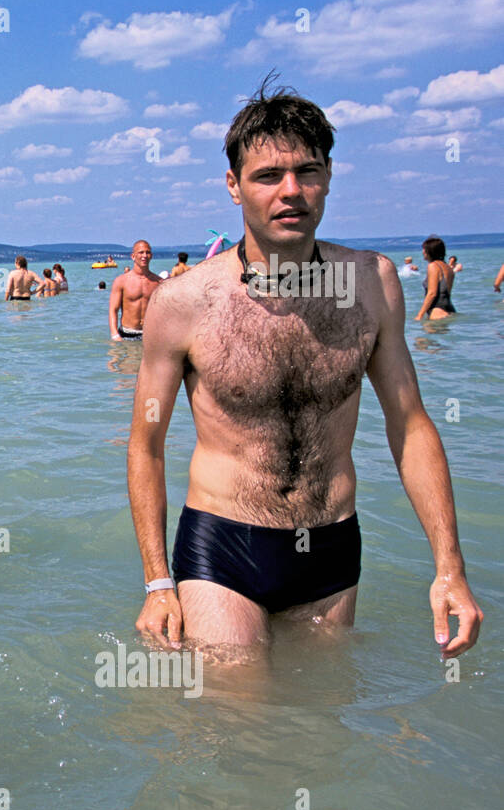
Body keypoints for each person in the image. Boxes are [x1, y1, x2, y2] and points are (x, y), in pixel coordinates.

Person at [127, 79, 483, 661]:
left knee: (320, 728)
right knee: (242, 718)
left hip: (332, 547)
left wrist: (450, 568)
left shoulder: (372, 284)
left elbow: (410, 423)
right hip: (224, 544)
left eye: (308, 172)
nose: (291, 191)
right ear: (234, 187)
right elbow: (147, 443)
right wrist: (157, 582)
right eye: (268, 176)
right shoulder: (183, 303)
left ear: (328, 178)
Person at [108, 240, 160, 340]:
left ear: (151, 256)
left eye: (147, 252)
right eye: (141, 252)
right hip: (127, 334)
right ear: (133, 256)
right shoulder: (121, 281)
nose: (144, 255)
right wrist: (115, 334)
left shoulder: (159, 282)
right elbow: (113, 310)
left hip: (151, 335)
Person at [415, 236, 456, 320]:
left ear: (430, 251)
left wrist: (420, 315)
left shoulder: (433, 266)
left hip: (437, 310)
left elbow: (432, 293)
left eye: (424, 249)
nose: (422, 252)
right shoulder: (448, 268)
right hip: (449, 309)